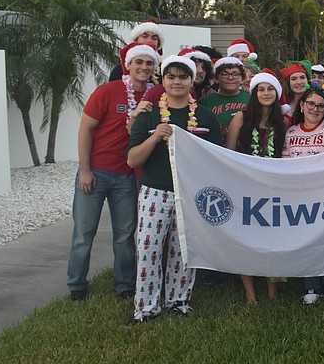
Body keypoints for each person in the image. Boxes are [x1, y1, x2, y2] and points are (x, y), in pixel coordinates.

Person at [126, 56, 222, 324]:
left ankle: (179, 300)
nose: (177, 81)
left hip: (189, 193)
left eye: (183, 77)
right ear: (163, 80)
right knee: (148, 249)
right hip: (155, 191)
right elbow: (132, 159)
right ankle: (146, 307)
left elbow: (215, 158)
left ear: (193, 81)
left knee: (183, 250)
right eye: (171, 76)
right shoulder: (148, 114)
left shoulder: (204, 116)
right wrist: (155, 136)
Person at [67, 42, 158, 301]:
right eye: (138, 62)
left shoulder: (153, 97)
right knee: (84, 232)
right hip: (96, 171)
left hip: (128, 175)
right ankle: (76, 284)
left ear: (154, 68)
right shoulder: (108, 91)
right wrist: (85, 170)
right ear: (127, 66)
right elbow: (86, 129)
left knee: (125, 233)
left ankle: (125, 283)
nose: (143, 67)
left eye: (149, 63)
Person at [225, 71, 290, 303]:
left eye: (270, 89)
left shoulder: (282, 122)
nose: (265, 93)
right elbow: (229, 152)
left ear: (277, 93)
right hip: (244, 186)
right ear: (254, 93)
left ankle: (273, 293)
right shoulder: (241, 118)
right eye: (261, 89)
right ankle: (250, 294)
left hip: (274, 189)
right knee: (246, 239)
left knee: (273, 240)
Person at [282, 88, 324, 305]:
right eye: (310, 104)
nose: (315, 109)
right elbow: (285, 163)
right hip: (301, 196)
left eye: (320, 106)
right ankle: (311, 286)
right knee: (307, 240)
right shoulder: (291, 133)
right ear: (301, 105)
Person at [198, 57, 250, 138]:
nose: (230, 78)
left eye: (235, 74)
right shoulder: (205, 101)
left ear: (242, 78)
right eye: (225, 74)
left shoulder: (251, 99)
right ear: (216, 78)